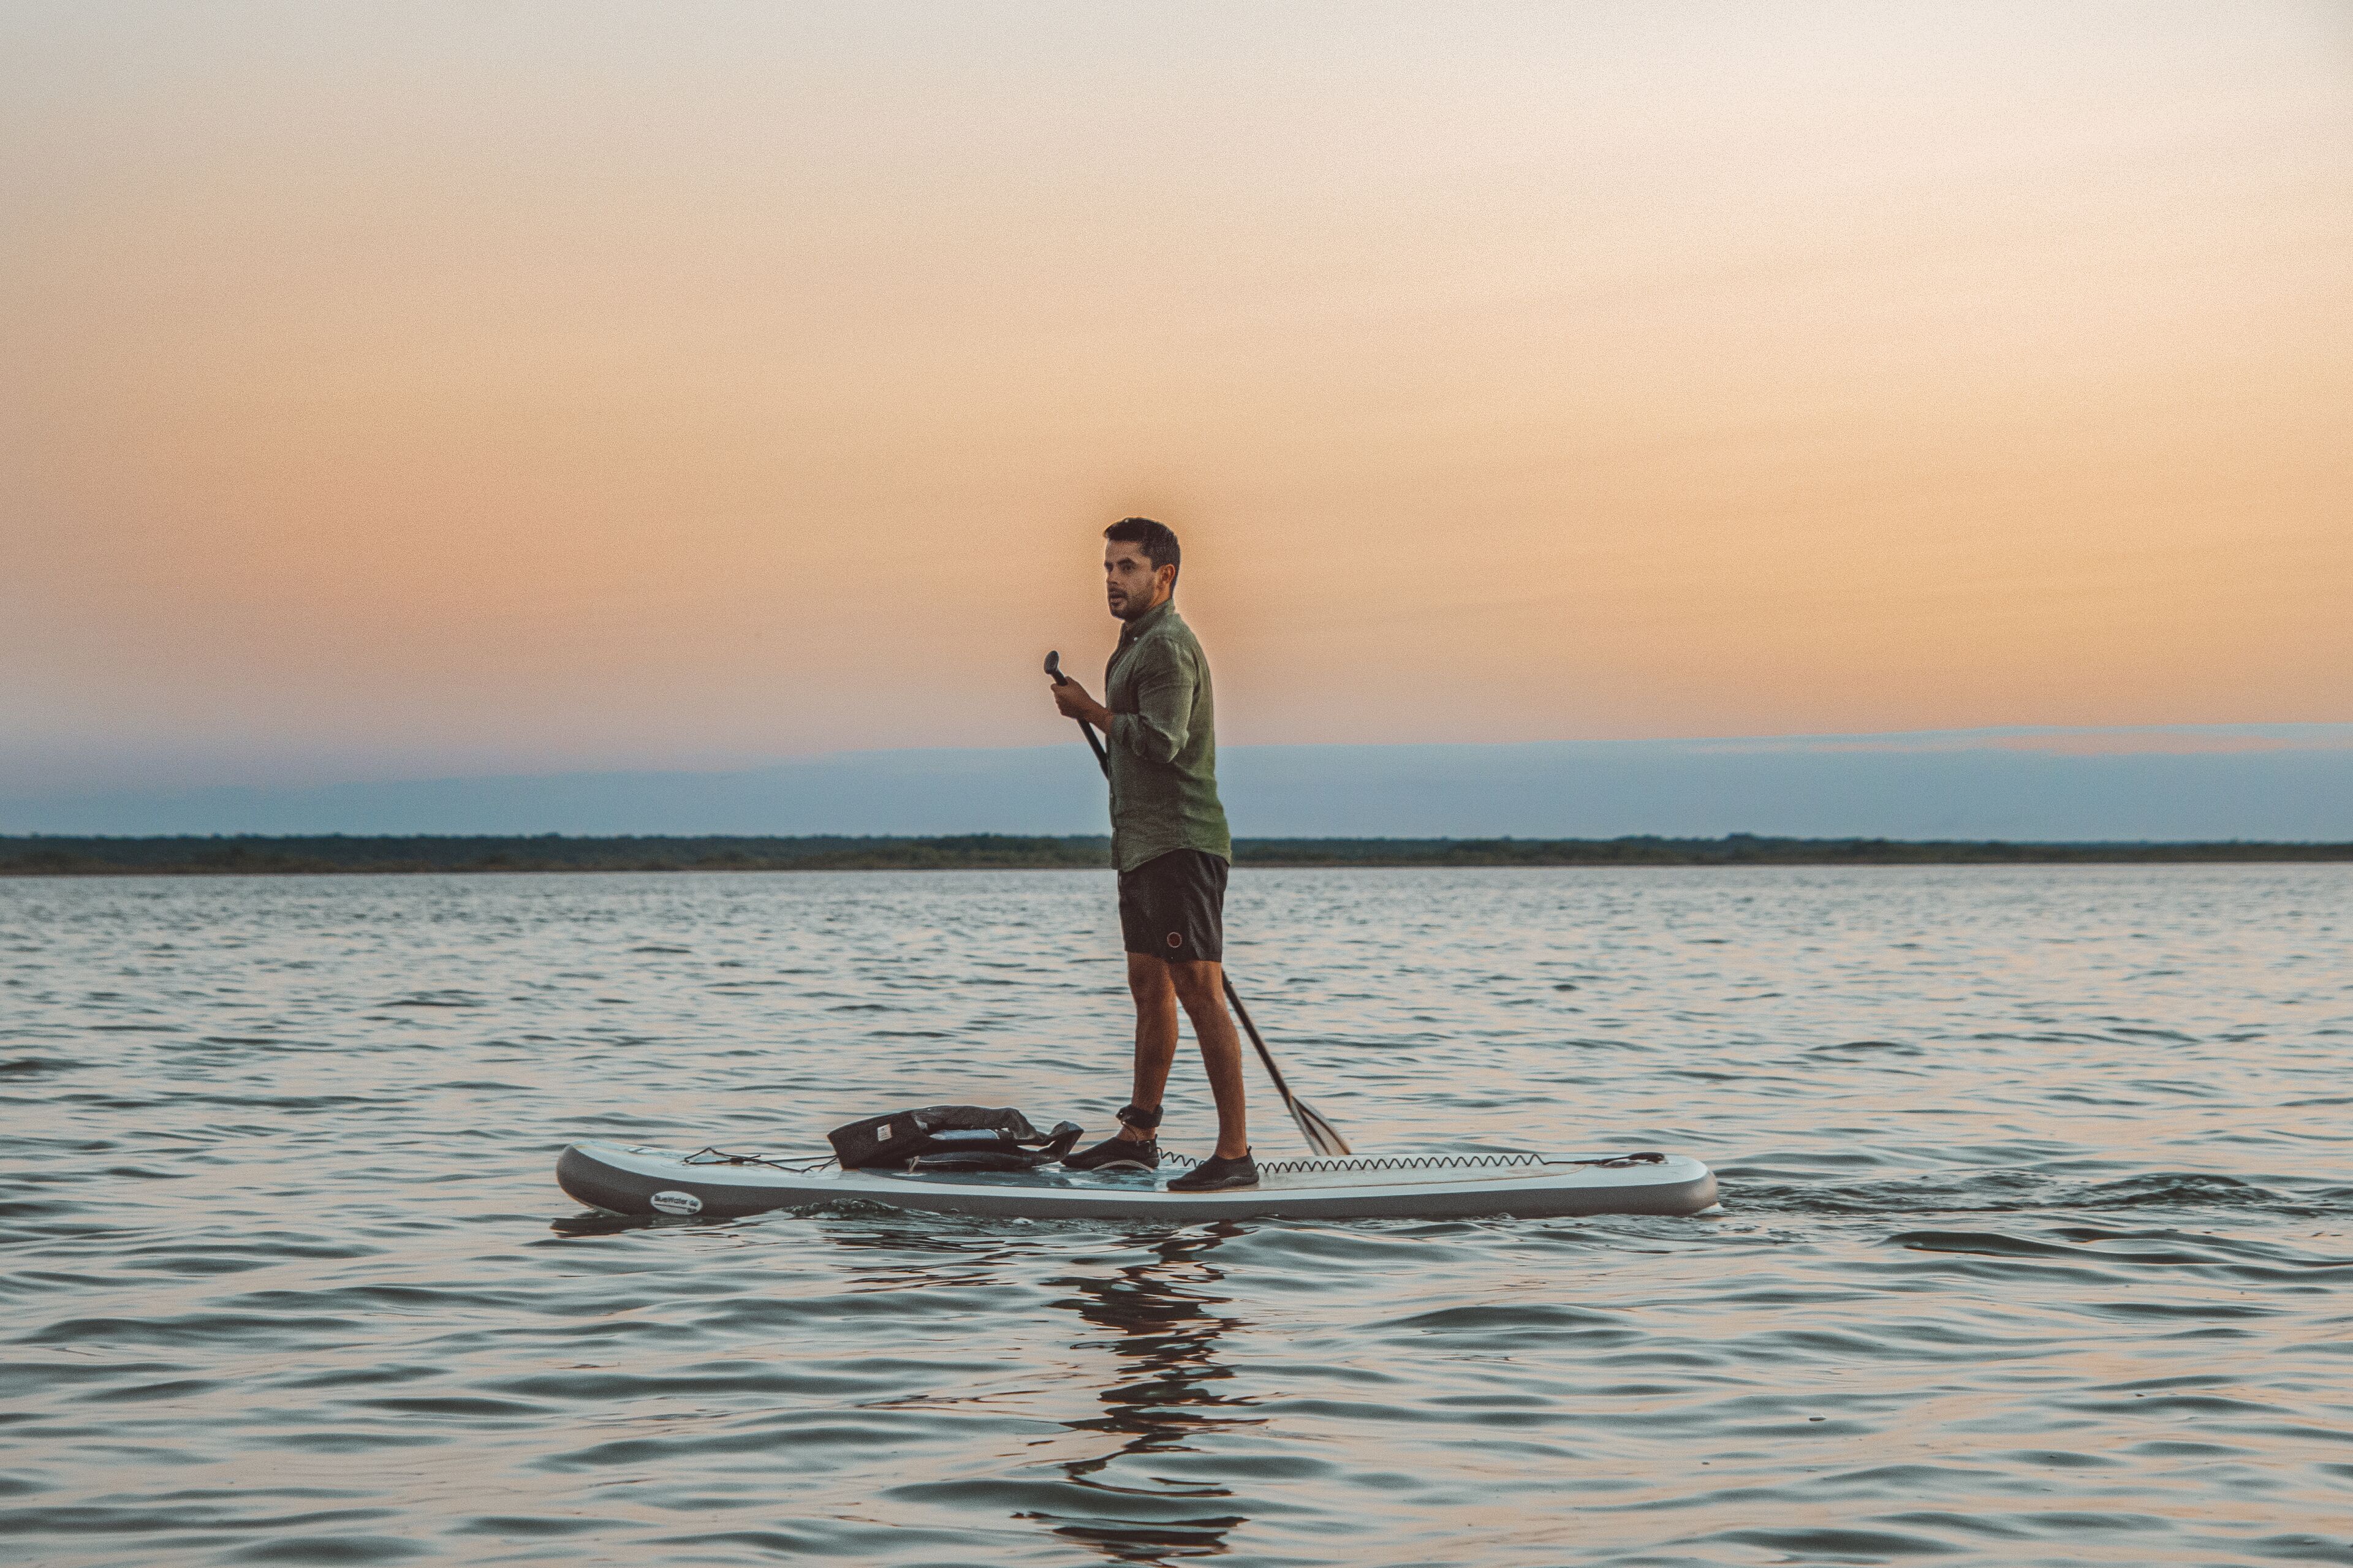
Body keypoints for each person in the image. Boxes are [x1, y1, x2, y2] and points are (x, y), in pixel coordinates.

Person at [1048, 517, 1257, 1191]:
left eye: (1127, 567)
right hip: (1141, 847)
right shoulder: (1133, 646)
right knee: (1149, 988)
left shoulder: (1166, 647)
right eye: (1108, 567)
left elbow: (1164, 741)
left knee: (1199, 991)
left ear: (1164, 576)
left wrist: (1090, 712)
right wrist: (1095, 712)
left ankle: (1235, 1157)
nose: (1112, 578)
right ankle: (1138, 1137)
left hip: (1181, 844)